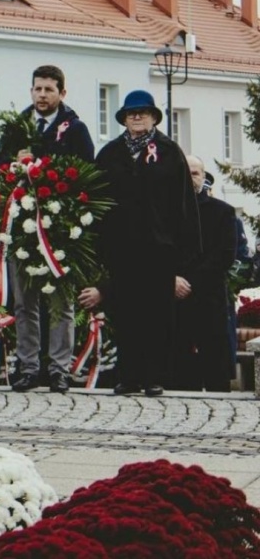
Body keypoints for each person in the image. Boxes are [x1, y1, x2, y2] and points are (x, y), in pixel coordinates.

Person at [78, 90, 199, 397]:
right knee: (125, 312)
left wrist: (183, 254)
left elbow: (183, 204)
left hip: (159, 248)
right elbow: (96, 199)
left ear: (154, 117)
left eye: (142, 113)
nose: (136, 118)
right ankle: (128, 376)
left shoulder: (170, 153)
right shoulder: (110, 154)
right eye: (131, 114)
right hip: (122, 248)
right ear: (124, 119)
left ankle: (154, 376)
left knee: (157, 314)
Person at [0, 65, 94, 394]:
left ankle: (60, 369)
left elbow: (87, 172)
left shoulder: (74, 129)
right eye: (37, 89)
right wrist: (14, 165)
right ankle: (28, 366)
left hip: (59, 229)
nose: (42, 95)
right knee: (24, 302)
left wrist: (48, 168)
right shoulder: (17, 128)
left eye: (49, 90)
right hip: (22, 227)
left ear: (62, 93)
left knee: (62, 303)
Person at [171, 158, 236, 392]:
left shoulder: (223, 212)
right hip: (173, 296)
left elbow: (224, 255)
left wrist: (191, 282)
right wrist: (171, 278)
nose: (190, 178)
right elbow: (157, 250)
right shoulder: (165, 212)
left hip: (209, 297)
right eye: (185, 173)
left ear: (204, 177)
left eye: (195, 173)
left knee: (215, 367)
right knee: (179, 369)